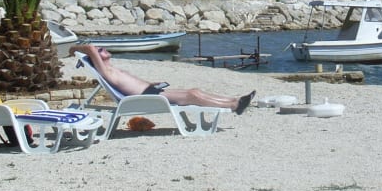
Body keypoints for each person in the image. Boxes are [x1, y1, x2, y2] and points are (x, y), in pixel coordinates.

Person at [78, 44, 255, 114]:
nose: (103, 49)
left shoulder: (113, 69)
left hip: (150, 91)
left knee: (194, 92)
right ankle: (234, 106)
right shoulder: (106, 72)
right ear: (96, 57)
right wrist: (74, 50)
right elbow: (90, 48)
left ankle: (235, 101)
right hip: (145, 97)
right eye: (100, 50)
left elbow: (132, 84)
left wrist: (151, 83)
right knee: (193, 96)